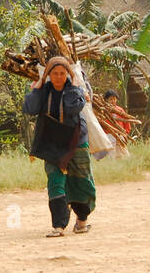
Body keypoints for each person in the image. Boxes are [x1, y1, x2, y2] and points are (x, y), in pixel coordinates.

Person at [24, 55, 96, 237]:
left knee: (81, 181)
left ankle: (81, 220)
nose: (58, 77)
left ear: (68, 74)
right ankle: (58, 225)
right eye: (54, 73)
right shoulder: (43, 91)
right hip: (52, 143)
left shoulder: (76, 91)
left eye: (62, 73)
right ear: (48, 75)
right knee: (55, 181)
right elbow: (29, 108)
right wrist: (39, 86)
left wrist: (73, 85)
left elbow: (72, 108)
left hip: (76, 141)